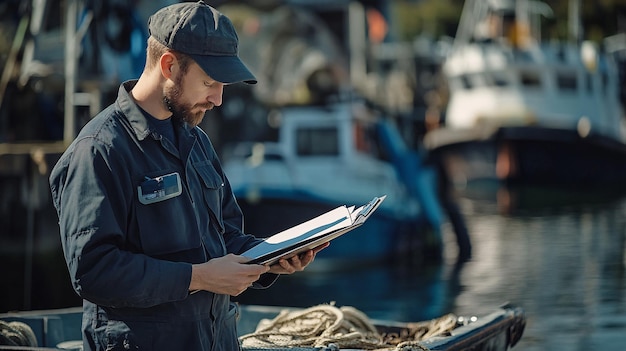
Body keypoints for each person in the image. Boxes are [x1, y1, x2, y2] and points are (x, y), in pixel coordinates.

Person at [49, 2, 327, 350]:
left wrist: (270, 259)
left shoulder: (197, 142)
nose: (218, 99)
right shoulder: (99, 151)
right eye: (209, 82)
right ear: (169, 65)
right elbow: (93, 271)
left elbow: (225, 238)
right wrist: (199, 277)